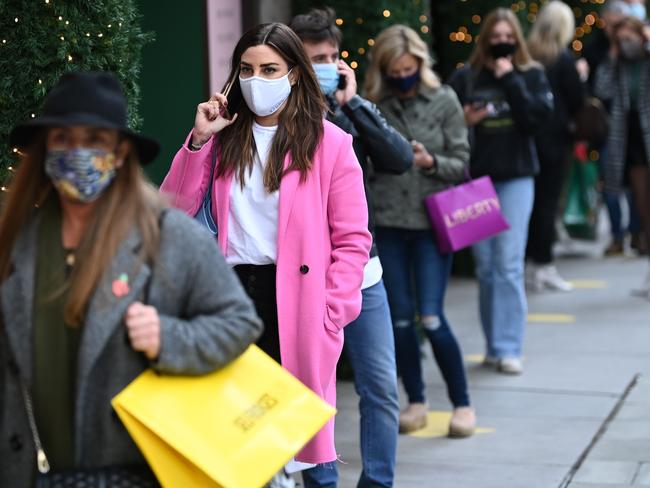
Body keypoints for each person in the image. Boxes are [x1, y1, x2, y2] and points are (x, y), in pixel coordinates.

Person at [0, 71, 263, 487]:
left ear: (121, 153)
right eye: (63, 139)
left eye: (94, 141)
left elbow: (239, 324)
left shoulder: (168, 236)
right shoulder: (16, 242)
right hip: (32, 473)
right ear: (44, 148)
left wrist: (168, 338)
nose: (77, 152)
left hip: (137, 472)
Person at [160, 23, 372, 480]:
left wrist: (332, 312)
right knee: (229, 442)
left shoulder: (330, 144)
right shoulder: (221, 137)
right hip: (229, 300)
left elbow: (353, 239)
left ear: (294, 73)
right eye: (247, 69)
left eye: (270, 68)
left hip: (295, 305)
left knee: (289, 443)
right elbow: (170, 210)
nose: (257, 79)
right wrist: (197, 142)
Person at [289, 8, 411, 488]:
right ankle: (321, 483)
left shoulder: (349, 111)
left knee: (380, 386)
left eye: (333, 56)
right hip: (305, 277)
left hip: (365, 274)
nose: (327, 64)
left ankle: (378, 483)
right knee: (313, 391)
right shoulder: (282, 123)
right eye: (315, 57)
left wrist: (354, 104)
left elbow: (399, 158)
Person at [362, 24, 476, 437]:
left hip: (431, 223)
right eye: (395, 69)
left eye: (409, 67)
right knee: (400, 321)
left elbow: (461, 162)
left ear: (420, 64)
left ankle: (462, 403)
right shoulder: (373, 104)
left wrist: (430, 162)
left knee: (431, 317)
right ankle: (416, 400)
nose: (403, 75)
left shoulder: (444, 99)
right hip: (388, 223)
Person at [448, 8, 553, 375]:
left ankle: (510, 346)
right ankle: (493, 344)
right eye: (494, 37)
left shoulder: (531, 75)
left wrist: (511, 81)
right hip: (476, 182)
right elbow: (446, 125)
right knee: (487, 267)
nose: (501, 43)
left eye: (508, 36)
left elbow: (537, 121)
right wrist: (464, 120)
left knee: (509, 264)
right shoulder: (466, 77)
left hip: (517, 177)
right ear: (484, 40)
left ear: (518, 39)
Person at [525, 1, 586, 292]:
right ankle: (544, 265)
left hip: (526, 140)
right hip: (555, 140)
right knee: (547, 204)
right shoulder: (563, 60)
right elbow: (577, 102)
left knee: (531, 204)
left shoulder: (526, 54)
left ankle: (531, 265)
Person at [595, 15, 650, 298]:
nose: (627, 44)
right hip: (630, 141)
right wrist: (612, 57)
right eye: (622, 39)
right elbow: (601, 90)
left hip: (647, 132)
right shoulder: (615, 64)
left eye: (631, 38)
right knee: (642, 205)